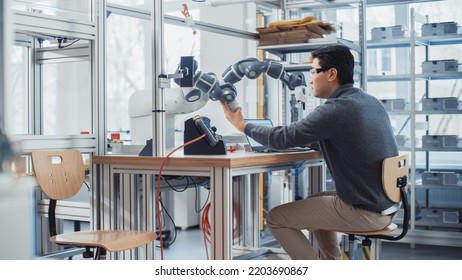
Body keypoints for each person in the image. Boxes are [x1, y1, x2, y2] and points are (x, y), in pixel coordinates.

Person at [220, 44, 399, 260]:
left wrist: (242, 126)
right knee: (314, 199)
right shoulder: (369, 102)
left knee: (276, 218)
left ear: (332, 74)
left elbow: (282, 137)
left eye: (314, 71)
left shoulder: (335, 109)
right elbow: (351, 140)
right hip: (385, 205)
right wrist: (310, 141)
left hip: (365, 212)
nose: (311, 79)